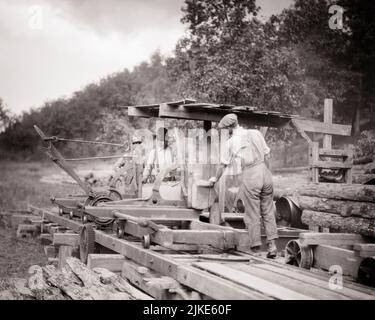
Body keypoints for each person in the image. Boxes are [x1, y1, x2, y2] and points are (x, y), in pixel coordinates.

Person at [209, 113, 278, 258]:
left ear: (228, 128)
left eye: (224, 129)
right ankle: (272, 246)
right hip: (265, 172)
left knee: (252, 212)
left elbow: (222, 166)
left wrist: (215, 179)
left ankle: (256, 249)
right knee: (268, 209)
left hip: (251, 173)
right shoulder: (256, 133)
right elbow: (267, 156)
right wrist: (266, 174)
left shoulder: (231, 142)